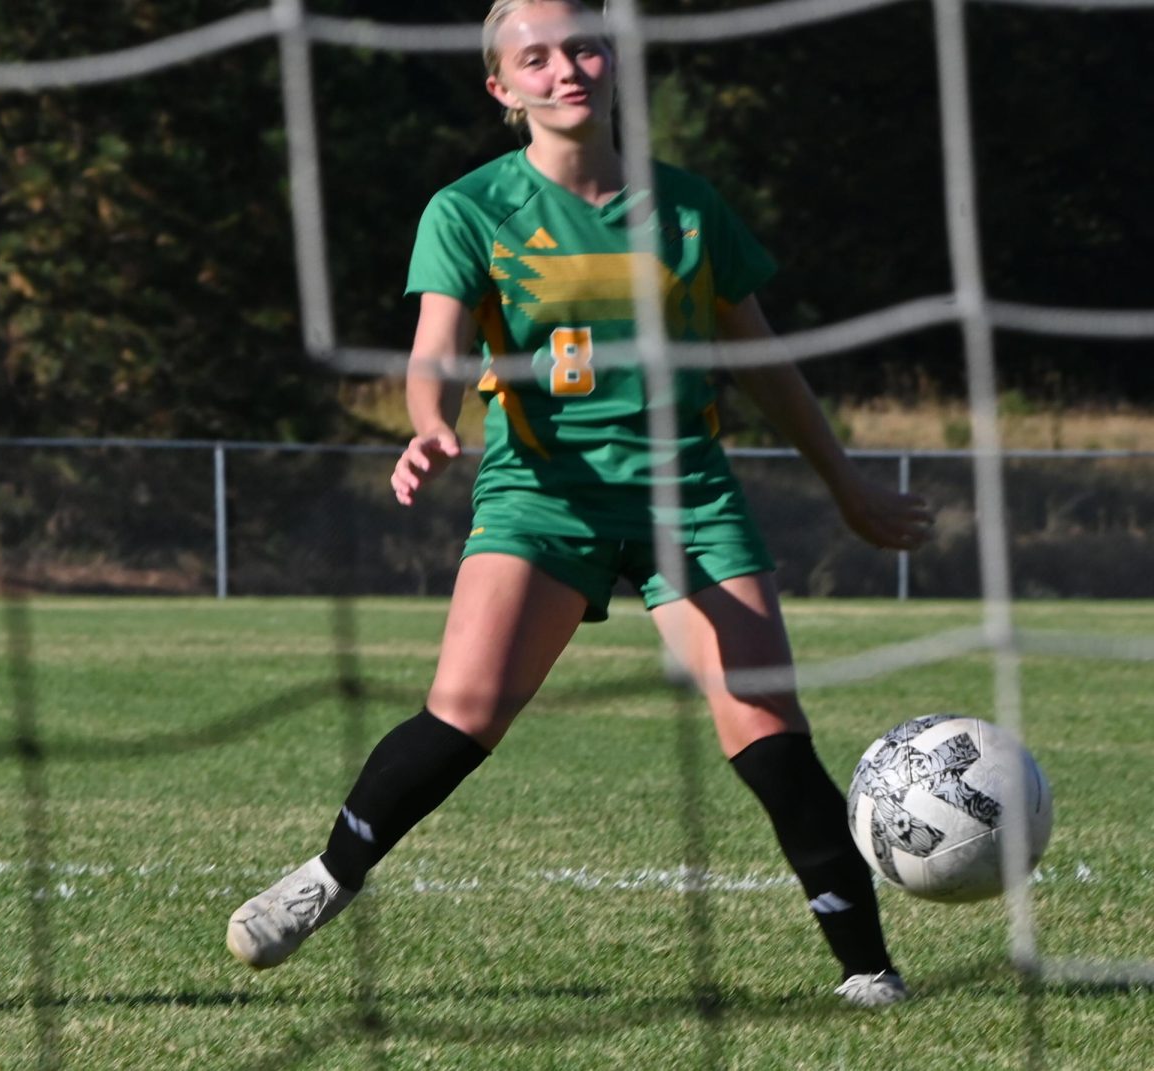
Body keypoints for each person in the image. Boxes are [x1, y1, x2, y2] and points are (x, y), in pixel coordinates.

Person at [226, 0, 934, 1008]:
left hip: (685, 493)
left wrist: (849, 484)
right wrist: (429, 421)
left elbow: (765, 365)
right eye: (538, 56)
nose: (568, 67)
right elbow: (434, 349)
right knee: (464, 713)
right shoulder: (469, 208)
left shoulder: (687, 209)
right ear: (502, 89)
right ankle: (327, 878)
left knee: (766, 724)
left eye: (586, 45)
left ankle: (869, 972)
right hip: (541, 496)